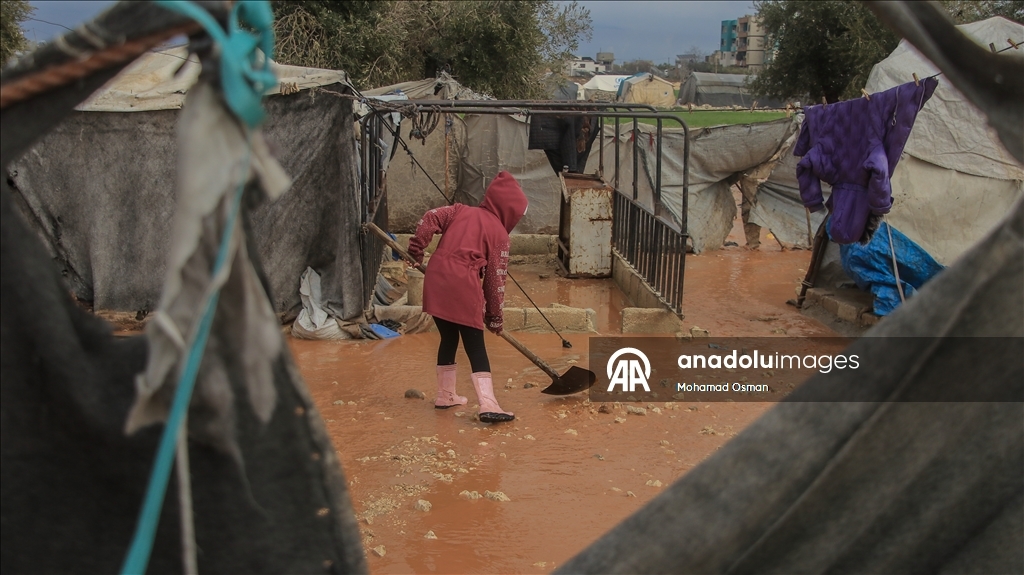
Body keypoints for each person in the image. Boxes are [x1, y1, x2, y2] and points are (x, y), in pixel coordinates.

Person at [407, 171, 528, 424]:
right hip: (462, 285)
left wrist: (416, 250)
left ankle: (446, 395)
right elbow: (496, 282)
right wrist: (495, 318)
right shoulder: (500, 235)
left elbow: (430, 218)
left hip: (436, 280)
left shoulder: (459, 210)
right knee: (476, 346)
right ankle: (488, 404)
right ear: (510, 210)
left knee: (448, 338)